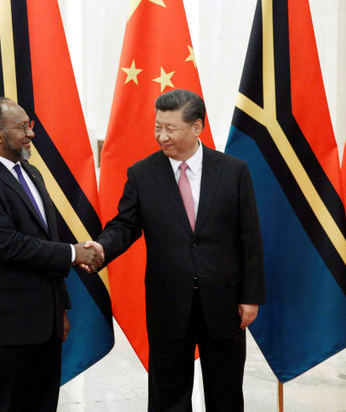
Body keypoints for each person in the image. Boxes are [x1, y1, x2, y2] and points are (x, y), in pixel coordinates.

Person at [86, 89, 265, 411]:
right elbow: (125, 226)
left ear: (197, 127)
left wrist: (250, 296)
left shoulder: (233, 171)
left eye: (171, 128)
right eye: (158, 127)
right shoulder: (142, 174)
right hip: (168, 303)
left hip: (223, 302)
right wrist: (100, 247)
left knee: (225, 393)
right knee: (168, 395)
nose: (162, 136)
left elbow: (249, 237)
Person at [0, 97, 103, 412]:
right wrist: (73, 253)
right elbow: (8, 246)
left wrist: (59, 309)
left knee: (41, 404)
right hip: (3, 328)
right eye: (22, 127)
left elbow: (45, 238)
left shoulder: (32, 173)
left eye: (30, 126)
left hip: (44, 325)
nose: (31, 133)